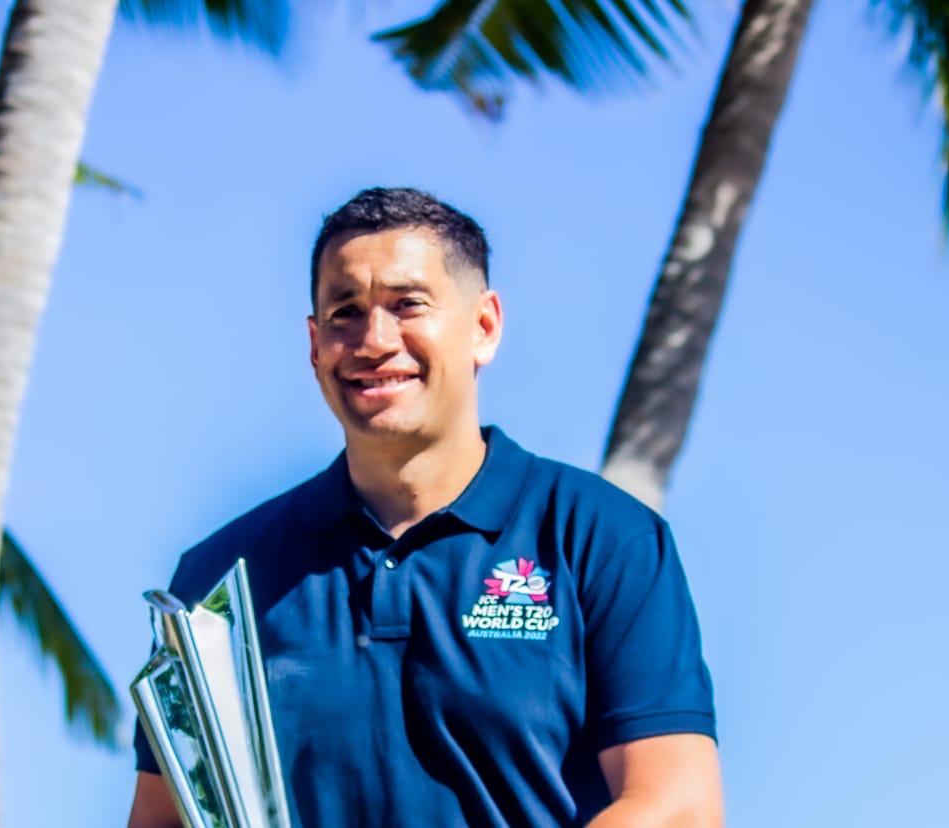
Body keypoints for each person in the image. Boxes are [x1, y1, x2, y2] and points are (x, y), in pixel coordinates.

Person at [126, 188, 723, 827]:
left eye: (407, 305)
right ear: (313, 344)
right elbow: (164, 818)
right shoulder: (220, 577)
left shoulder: (603, 536)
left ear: (483, 327)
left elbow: (676, 805)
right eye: (344, 312)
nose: (374, 340)